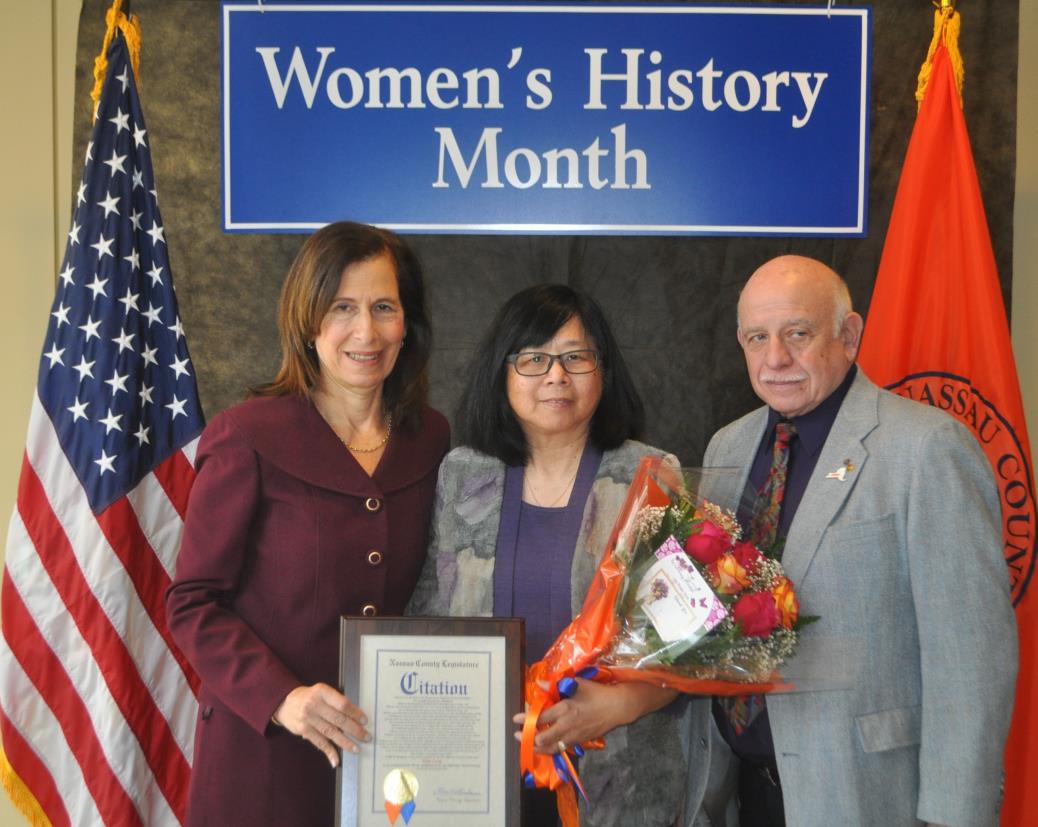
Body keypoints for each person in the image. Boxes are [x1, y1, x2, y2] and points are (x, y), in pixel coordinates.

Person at [691, 255, 1018, 827]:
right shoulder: (728, 446)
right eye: (757, 337)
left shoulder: (928, 448)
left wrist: (956, 816)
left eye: (798, 333)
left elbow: (970, 662)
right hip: (736, 794)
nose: (776, 359)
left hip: (866, 797)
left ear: (849, 334)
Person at [166, 221, 449, 826]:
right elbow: (192, 603)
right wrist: (282, 698)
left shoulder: (434, 440)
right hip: (265, 759)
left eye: (383, 308)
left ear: (408, 324)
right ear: (308, 321)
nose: (365, 332)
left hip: (392, 759)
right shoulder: (247, 437)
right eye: (342, 307)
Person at [408, 284, 707, 827]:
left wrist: (617, 706)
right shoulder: (463, 475)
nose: (555, 375)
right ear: (502, 373)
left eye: (576, 357)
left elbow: (689, 646)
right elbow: (427, 617)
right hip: (476, 774)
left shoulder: (651, 476)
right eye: (534, 359)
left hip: (618, 777)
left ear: (604, 371)